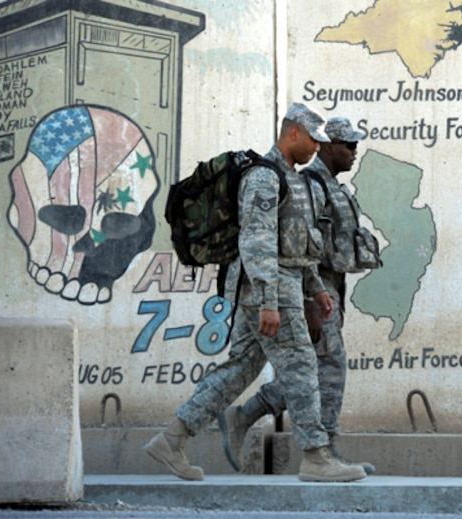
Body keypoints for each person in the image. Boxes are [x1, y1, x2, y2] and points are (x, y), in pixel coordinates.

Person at [143, 103, 366, 483]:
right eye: (313, 139)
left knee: (240, 369)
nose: (317, 147)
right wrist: (267, 301)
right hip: (269, 288)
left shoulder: (291, 178)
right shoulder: (264, 178)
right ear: (293, 133)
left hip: (281, 284)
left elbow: (294, 245)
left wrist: (315, 288)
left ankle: (171, 439)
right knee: (302, 366)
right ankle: (316, 457)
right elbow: (257, 243)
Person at [217, 117, 380, 474]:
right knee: (326, 369)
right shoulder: (311, 185)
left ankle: (246, 416)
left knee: (313, 370)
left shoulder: (330, 185)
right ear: (329, 147)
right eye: (349, 145)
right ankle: (323, 452)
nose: (354, 152)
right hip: (308, 291)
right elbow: (300, 248)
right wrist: (308, 302)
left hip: (326, 289)